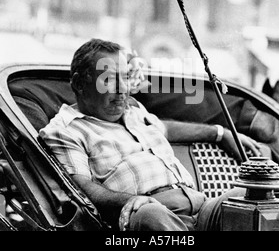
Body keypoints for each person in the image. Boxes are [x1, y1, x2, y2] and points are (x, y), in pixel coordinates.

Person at [39, 39, 262, 231]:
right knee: (150, 216)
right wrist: (133, 200)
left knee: (251, 196)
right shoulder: (65, 130)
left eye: (125, 78)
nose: (122, 89)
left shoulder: (134, 111)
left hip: (201, 207)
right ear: (79, 83)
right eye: (108, 80)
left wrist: (220, 133)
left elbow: (165, 128)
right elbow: (81, 187)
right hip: (149, 214)